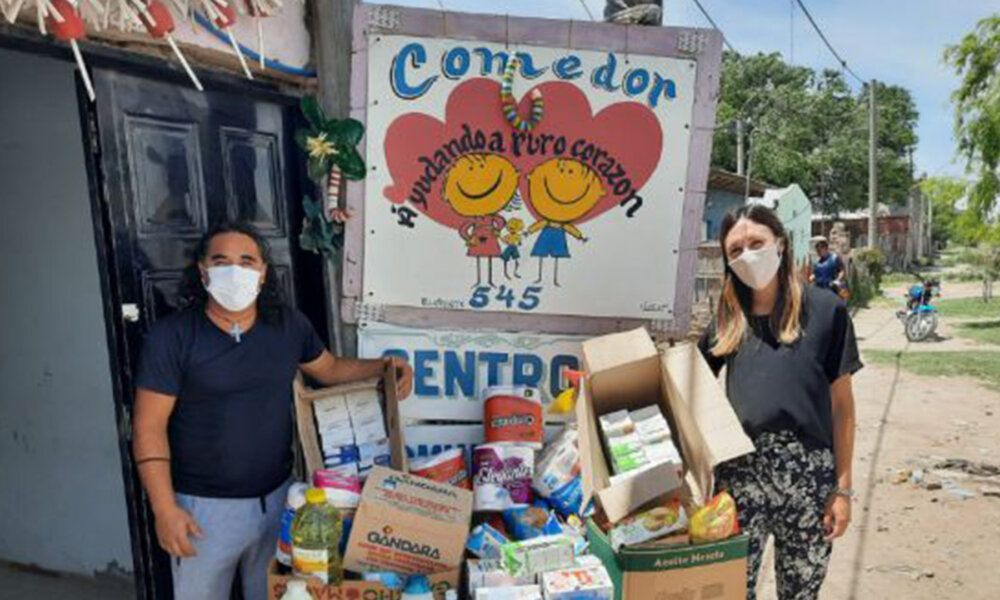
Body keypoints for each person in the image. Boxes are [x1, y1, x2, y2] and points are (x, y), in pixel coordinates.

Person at [132, 223, 413, 600]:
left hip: (280, 502)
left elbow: (328, 370)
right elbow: (148, 427)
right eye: (221, 262)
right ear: (202, 271)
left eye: (247, 261)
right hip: (203, 511)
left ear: (263, 272)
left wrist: (385, 366)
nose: (235, 271)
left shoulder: (287, 325)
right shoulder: (173, 337)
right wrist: (165, 509)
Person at [698, 205, 862, 600]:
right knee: (730, 590)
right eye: (736, 250)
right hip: (740, 479)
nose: (747, 255)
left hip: (808, 480)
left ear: (781, 244)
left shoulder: (826, 311)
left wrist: (842, 491)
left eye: (757, 243)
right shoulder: (728, 319)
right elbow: (686, 385)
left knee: (801, 593)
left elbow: (843, 408)